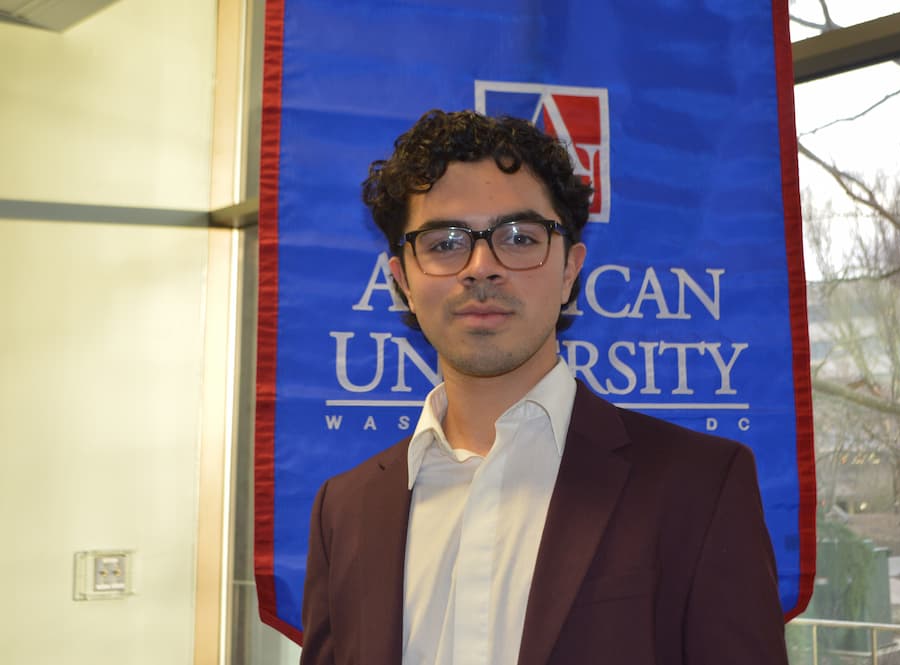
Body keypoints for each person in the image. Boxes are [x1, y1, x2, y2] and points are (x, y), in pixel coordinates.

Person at [299, 109, 789, 665]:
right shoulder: (345, 510)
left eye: (519, 237)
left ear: (569, 271)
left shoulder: (699, 487)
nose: (481, 268)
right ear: (401, 281)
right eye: (443, 243)